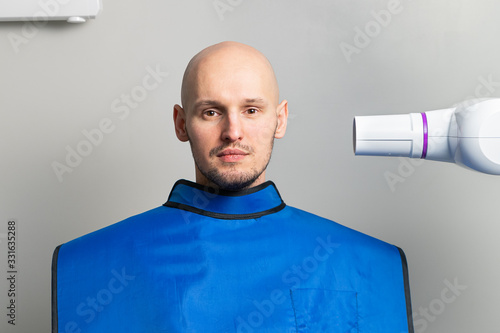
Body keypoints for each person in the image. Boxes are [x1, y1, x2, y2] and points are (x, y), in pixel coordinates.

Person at [52, 41, 414, 332]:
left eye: (252, 110)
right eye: (211, 111)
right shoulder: (91, 265)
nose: (233, 132)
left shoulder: (368, 262)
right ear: (181, 124)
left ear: (280, 119)